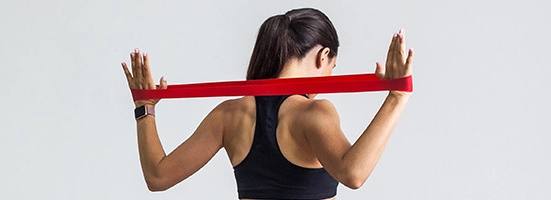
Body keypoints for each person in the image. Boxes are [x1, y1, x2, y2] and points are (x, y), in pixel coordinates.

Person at [120, 7, 413, 200]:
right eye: (332, 66)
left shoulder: (229, 115)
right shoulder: (315, 112)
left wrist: (145, 108)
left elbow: (158, 176)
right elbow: (353, 174)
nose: (330, 76)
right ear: (322, 56)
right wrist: (397, 97)